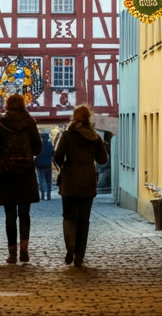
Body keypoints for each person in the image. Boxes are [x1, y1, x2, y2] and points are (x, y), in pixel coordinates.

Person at [0, 93, 42, 264]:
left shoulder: (1, 124)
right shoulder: (30, 123)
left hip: (6, 173)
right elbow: (38, 148)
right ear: (23, 105)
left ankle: (12, 253)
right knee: (25, 214)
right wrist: (26, 153)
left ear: (7, 105)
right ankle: (24, 249)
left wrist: (4, 155)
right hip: (25, 172)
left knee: (10, 215)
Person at [53, 104, 108, 267]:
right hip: (87, 181)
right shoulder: (95, 137)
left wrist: (63, 166)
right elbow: (103, 160)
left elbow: (57, 156)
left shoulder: (67, 135)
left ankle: (70, 245)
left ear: (74, 117)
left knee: (69, 217)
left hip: (69, 181)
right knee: (84, 220)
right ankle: (79, 256)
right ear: (88, 119)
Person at [35, 129, 54, 200]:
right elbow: (52, 153)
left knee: (41, 179)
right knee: (48, 180)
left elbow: (35, 153)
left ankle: (42, 194)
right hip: (48, 164)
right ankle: (48, 194)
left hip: (39, 164)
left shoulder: (38, 145)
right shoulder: (49, 145)